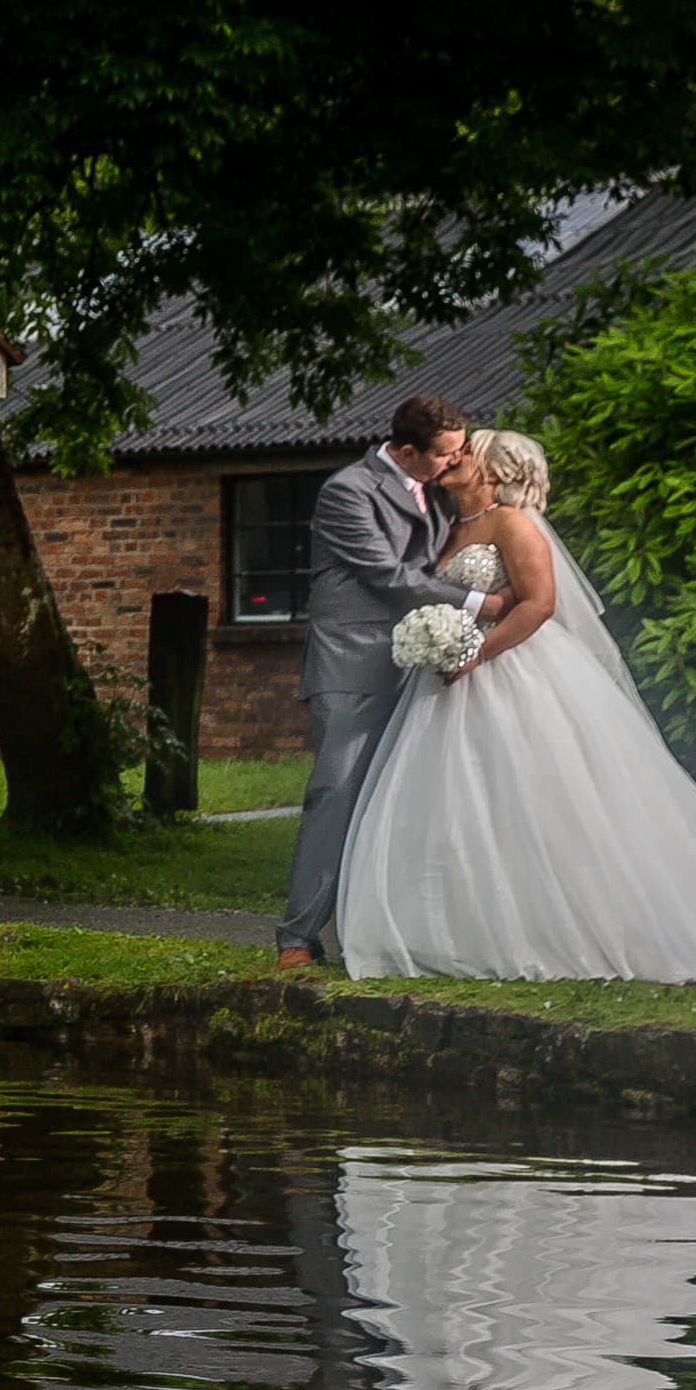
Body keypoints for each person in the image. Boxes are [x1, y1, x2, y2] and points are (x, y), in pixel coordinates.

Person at [332, 432, 696, 981]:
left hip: (511, 669)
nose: (455, 457)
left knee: (539, 796)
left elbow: (539, 604)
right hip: (451, 679)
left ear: (493, 469)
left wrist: (476, 654)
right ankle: (456, 926)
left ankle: (557, 923)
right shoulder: (452, 526)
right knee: (456, 799)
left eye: (468, 453)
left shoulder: (515, 524)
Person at [276, 393, 494, 970]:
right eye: (445, 454)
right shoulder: (349, 491)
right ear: (404, 450)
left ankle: (394, 933)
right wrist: (484, 602)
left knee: (414, 799)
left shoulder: (441, 493)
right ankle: (297, 936)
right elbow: (388, 574)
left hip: (422, 662)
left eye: (460, 450)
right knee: (337, 793)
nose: (455, 461)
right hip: (354, 664)